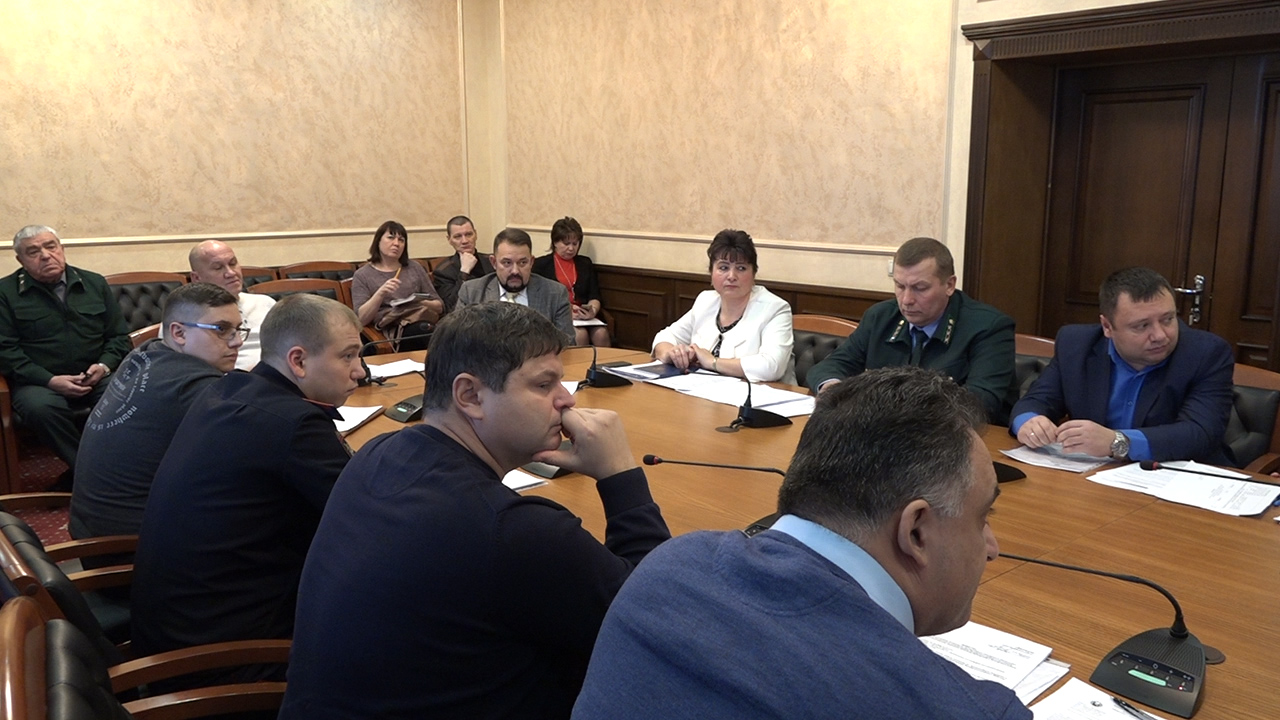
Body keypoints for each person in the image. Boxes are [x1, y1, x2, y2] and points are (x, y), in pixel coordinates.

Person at [279, 302, 671, 720]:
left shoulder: (379, 452)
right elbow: (663, 622)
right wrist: (620, 474)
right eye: (544, 385)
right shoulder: (513, 531)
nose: (567, 399)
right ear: (469, 396)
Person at [572, 366, 1028, 719]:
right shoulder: (968, 710)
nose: (992, 548)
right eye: (984, 516)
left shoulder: (668, 568)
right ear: (916, 532)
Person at [130, 294, 364, 687]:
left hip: (173, 633)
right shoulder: (295, 425)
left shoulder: (229, 391)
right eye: (348, 356)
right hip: (226, 663)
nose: (360, 371)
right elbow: (372, 519)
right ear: (298, 361)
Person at [70, 283, 244, 540]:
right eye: (221, 329)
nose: (237, 341)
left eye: (238, 329)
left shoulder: (145, 352)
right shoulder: (194, 385)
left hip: (90, 527)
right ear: (179, 333)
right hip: (128, 544)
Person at [1011, 267, 1234, 465]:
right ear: (1107, 326)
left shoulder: (1206, 354)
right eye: (1142, 326)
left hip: (1179, 480)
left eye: (1167, 319)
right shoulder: (1076, 345)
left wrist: (1118, 442)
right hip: (1095, 478)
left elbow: (1200, 433)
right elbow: (1036, 401)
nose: (1159, 335)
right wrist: (1029, 423)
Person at [806, 236, 1016, 423]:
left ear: (949, 285)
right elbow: (831, 366)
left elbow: (980, 402)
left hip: (960, 440)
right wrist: (832, 388)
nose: (906, 300)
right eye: (900, 286)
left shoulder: (988, 327)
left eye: (920, 288)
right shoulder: (880, 317)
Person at [0, 225, 131, 489]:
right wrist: (50, 380)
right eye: (33, 251)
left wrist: (103, 366)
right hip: (39, 382)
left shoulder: (94, 283)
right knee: (41, 409)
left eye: (51, 246)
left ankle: (86, 473)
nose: (45, 255)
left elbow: (119, 337)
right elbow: (5, 351)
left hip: (96, 375)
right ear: (20, 260)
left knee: (129, 395)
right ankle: (95, 474)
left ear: (61, 249)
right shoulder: (5, 292)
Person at [652, 229, 795, 384]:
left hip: (762, 395)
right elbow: (664, 337)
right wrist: (671, 354)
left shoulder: (775, 309)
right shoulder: (706, 301)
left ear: (754, 274)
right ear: (711, 273)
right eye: (723, 268)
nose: (732, 276)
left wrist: (712, 362)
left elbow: (772, 367)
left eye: (741, 268)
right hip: (704, 392)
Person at [458, 228, 576, 343]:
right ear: (494, 262)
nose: (515, 271)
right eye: (507, 263)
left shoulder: (555, 293)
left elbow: (567, 344)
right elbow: (459, 341)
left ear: (531, 262)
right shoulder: (471, 292)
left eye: (522, 262)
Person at [350, 220, 444, 350]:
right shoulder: (363, 275)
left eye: (401, 240)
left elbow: (439, 306)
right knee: (424, 331)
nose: (396, 243)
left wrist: (419, 301)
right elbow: (361, 319)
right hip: (390, 327)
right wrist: (381, 293)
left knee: (437, 330)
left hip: (418, 318)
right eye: (391, 237)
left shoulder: (415, 268)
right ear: (378, 241)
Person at [188, 239, 275, 370]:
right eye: (218, 268)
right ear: (196, 278)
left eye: (233, 264)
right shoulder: (186, 314)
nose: (231, 273)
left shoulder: (265, 303)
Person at [533, 216, 610, 347]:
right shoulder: (541, 265)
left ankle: (605, 362)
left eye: (575, 244)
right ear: (555, 242)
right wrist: (566, 311)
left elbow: (594, 295)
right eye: (566, 243)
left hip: (584, 317)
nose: (571, 248)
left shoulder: (585, 263)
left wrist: (592, 310)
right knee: (580, 334)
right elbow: (540, 299)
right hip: (557, 316)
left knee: (601, 333)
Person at [432, 215, 494, 313]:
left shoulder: (491, 261)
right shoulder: (443, 271)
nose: (464, 241)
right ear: (449, 240)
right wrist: (464, 272)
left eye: (469, 234)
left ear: (476, 235)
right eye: (458, 236)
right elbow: (451, 307)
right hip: (464, 318)